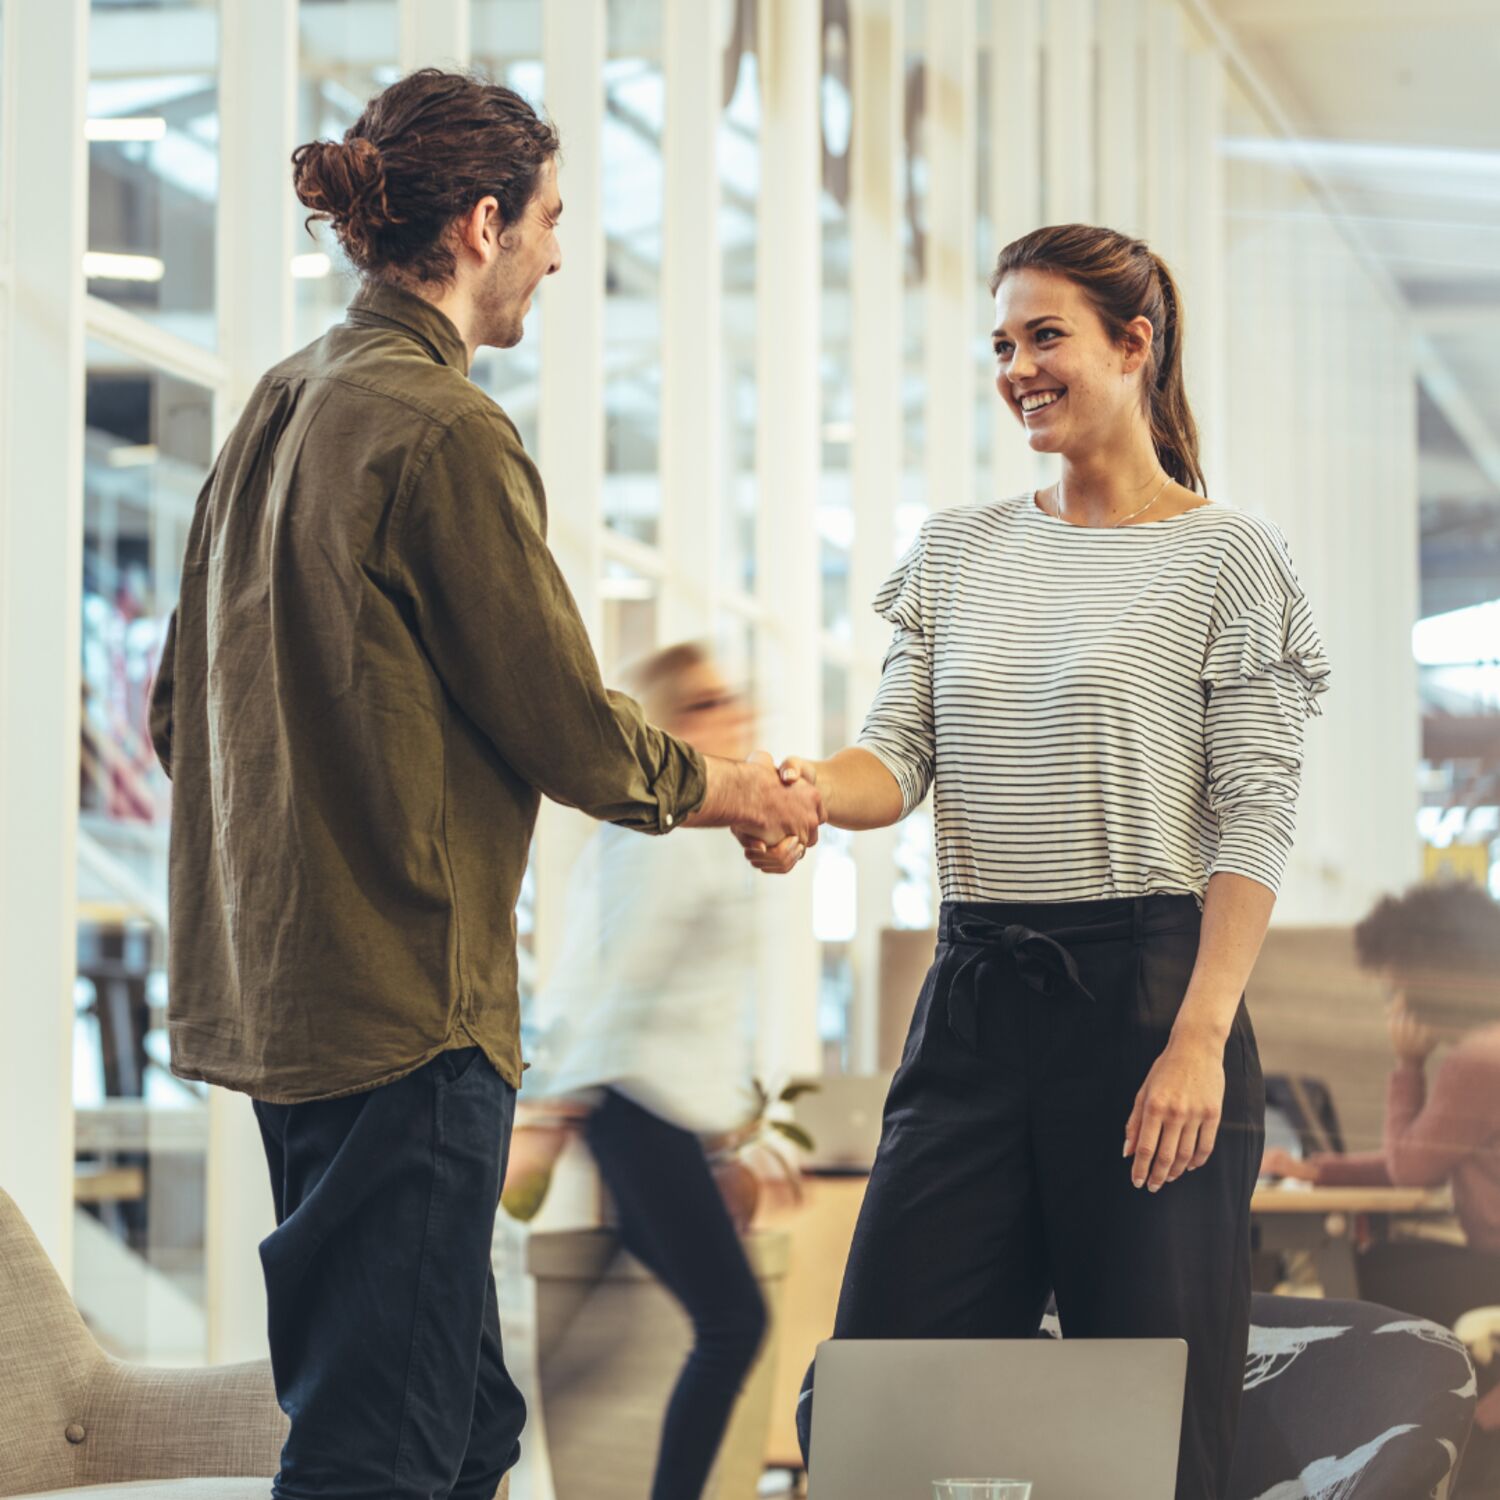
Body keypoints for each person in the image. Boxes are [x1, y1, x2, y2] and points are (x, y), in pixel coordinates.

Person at [147, 71, 821, 1500]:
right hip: (409, 1019)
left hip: (286, 1009)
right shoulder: (443, 430)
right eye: (554, 221)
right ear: (482, 222)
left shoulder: (278, 405)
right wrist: (743, 790)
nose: (565, 255)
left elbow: (172, 713)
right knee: (379, 1453)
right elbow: (569, 732)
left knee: (466, 1431)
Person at [745, 223, 1330, 1499]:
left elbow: (1254, 820)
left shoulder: (1230, 558)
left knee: (1149, 1419)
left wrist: (1197, 1039)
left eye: (1044, 336)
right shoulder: (959, 552)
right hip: (973, 1001)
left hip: (1151, 1004)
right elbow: (893, 760)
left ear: (1135, 345)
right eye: (1001, 344)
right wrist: (795, 792)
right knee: (880, 1400)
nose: (1016, 367)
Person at [522, 642, 768, 1500]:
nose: (729, 712)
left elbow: (692, 1008)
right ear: (665, 725)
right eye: (701, 704)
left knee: (614, 1338)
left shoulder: (703, 835)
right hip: (632, 1106)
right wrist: (550, 1119)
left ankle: (496, 1426)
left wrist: (721, 1151)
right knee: (735, 1322)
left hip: (656, 1111)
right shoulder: (667, 837)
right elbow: (610, 978)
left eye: (729, 695)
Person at [1262, 882, 1500, 1320]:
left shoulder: (1476, 1061)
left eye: (1394, 993)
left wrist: (1408, 1066)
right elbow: (1420, 1155)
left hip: (1492, 1272)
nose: (1392, 1009)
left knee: (1362, 1274)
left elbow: (1410, 1169)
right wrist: (1316, 1171)